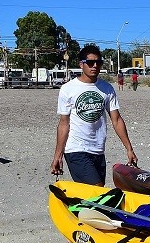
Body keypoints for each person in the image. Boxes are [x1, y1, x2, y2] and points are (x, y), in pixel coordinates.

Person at [50, 44, 138, 184]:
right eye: (90, 62)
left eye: (98, 62)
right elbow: (63, 124)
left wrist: (129, 149)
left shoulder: (106, 88)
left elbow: (116, 120)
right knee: (97, 188)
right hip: (76, 148)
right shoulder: (68, 89)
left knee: (95, 192)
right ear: (81, 64)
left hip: (98, 149)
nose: (95, 66)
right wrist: (58, 155)